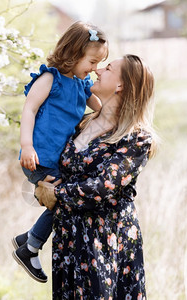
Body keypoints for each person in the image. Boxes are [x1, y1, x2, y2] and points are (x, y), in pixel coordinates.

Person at [35, 54, 157, 299]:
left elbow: (102, 187)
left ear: (121, 85)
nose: (98, 70)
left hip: (104, 242)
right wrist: (40, 183)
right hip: (68, 239)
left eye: (108, 68)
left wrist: (56, 193)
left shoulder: (136, 138)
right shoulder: (81, 123)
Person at [12, 21, 109, 283]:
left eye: (100, 63)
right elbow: (29, 110)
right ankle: (30, 247)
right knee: (63, 202)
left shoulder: (81, 84)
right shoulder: (50, 79)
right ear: (73, 53)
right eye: (92, 61)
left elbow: (101, 107)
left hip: (59, 159)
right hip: (39, 156)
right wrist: (26, 146)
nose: (95, 69)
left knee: (64, 200)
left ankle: (26, 238)